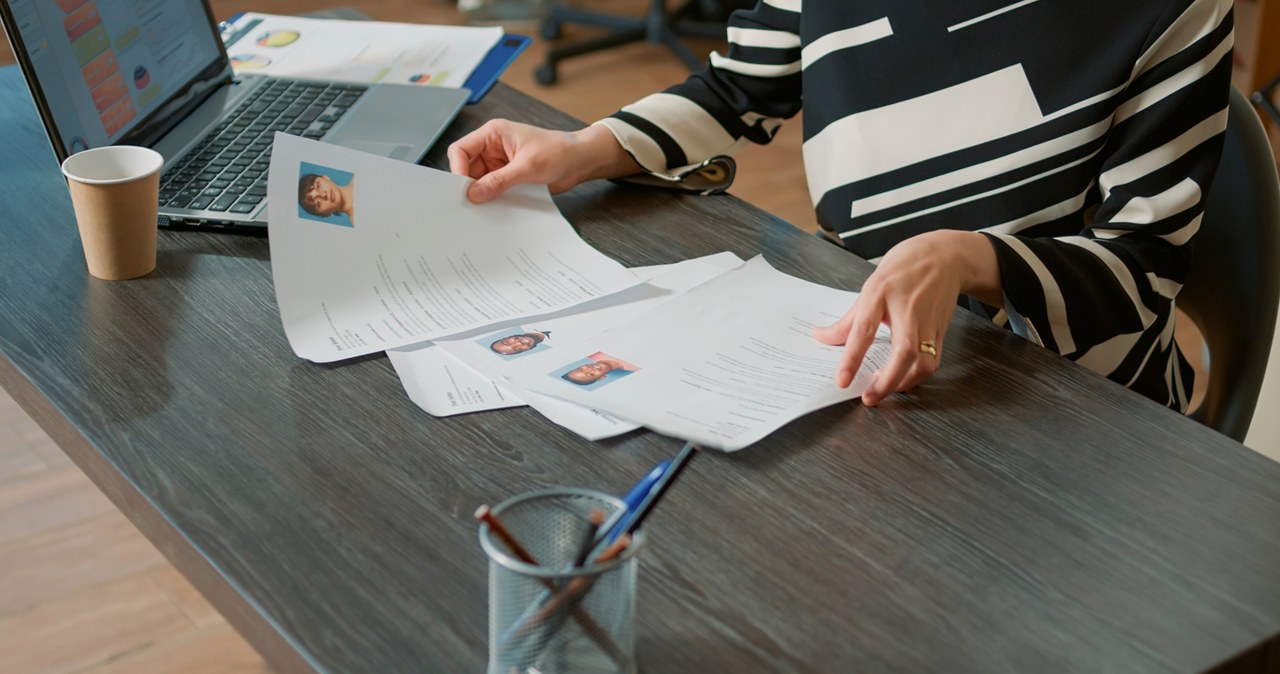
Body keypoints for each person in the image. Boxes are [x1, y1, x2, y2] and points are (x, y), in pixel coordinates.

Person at [449, 1, 1233, 411]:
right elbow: (733, 91)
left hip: (1073, 400)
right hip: (858, 356)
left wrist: (968, 257)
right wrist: (584, 148)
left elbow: (1141, 268)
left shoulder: (1174, 6)